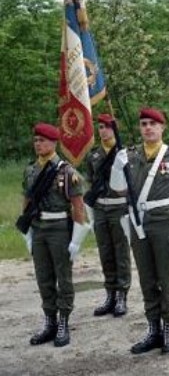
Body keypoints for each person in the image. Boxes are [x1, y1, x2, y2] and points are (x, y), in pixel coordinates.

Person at [111, 107, 169, 355]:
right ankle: (153, 328)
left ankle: (168, 328)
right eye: (144, 123)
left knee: (165, 277)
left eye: (153, 124)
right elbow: (119, 191)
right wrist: (117, 167)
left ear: (162, 127)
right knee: (147, 278)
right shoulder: (130, 155)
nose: (148, 127)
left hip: (164, 222)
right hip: (139, 223)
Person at [22, 122, 88, 347]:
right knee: (44, 277)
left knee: (63, 277)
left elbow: (78, 206)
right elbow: (27, 200)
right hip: (39, 228)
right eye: (36, 140)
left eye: (42, 140)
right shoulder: (31, 170)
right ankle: (49, 320)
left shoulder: (66, 171)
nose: (38, 144)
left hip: (59, 229)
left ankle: (63, 322)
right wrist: (28, 232)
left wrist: (76, 239)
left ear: (53, 142)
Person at [85, 113, 131, 318]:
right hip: (100, 208)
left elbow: (131, 184)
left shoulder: (124, 153)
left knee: (120, 252)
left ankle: (122, 294)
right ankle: (110, 293)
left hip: (119, 207)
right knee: (105, 252)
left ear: (115, 129)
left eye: (106, 127)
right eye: (100, 127)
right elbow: (90, 182)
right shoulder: (93, 155)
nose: (102, 130)